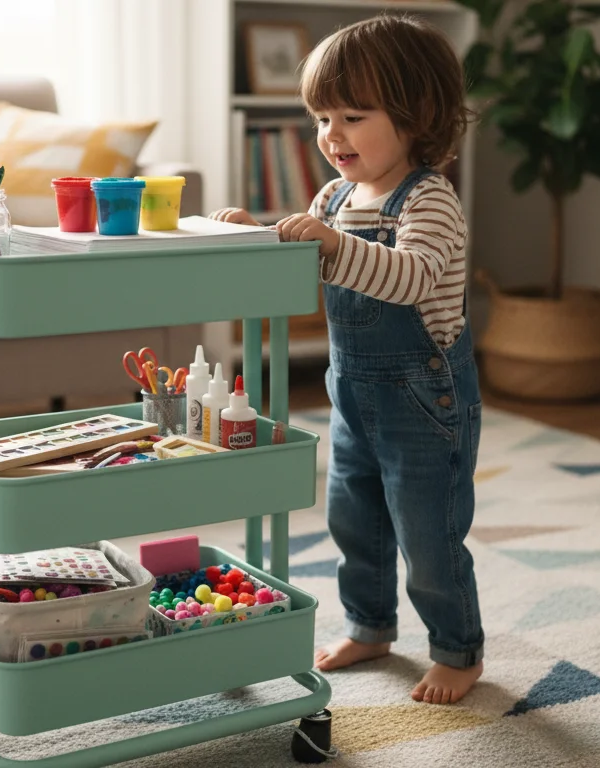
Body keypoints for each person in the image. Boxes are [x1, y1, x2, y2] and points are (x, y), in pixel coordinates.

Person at [211, 14, 483, 705]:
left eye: (353, 116)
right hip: (354, 396)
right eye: (322, 117)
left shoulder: (430, 200)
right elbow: (307, 261)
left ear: (416, 116)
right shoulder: (333, 197)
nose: (331, 135)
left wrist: (330, 248)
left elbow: (410, 277)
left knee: (430, 535)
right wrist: (260, 236)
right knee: (353, 520)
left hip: (426, 404)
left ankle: (457, 650)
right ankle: (370, 624)